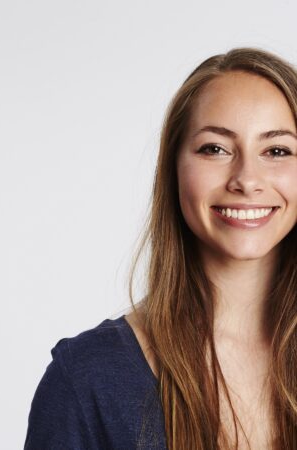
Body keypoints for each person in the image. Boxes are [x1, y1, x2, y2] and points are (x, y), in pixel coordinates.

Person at [23, 47, 297, 450]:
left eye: (277, 151)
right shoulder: (87, 379)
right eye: (215, 149)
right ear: (173, 168)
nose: (246, 179)